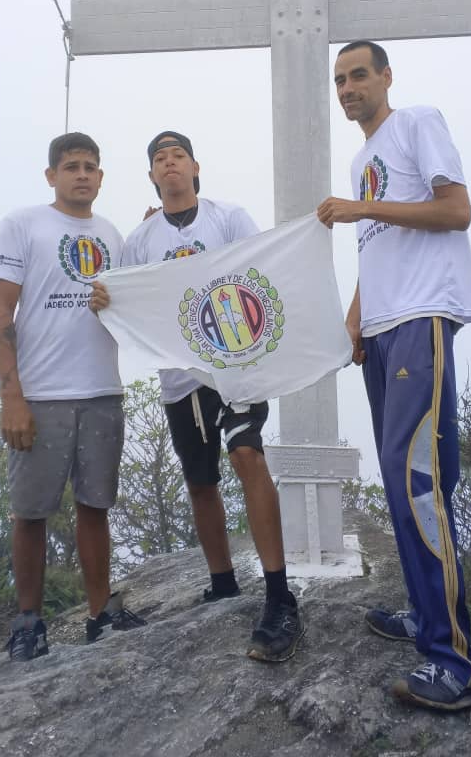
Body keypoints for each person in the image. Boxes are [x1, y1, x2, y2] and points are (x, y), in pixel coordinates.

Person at [90, 130, 304, 662]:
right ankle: (224, 581)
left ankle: (279, 596)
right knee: (200, 479)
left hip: (234, 366)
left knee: (246, 453)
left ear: (195, 166)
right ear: (151, 176)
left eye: (178, 155)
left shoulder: (227, 218)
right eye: (159, 159)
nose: (170, 164)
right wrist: (103, 297)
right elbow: (121, 292)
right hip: (180, 380)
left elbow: (264, 266)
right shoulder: (141, 238)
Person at [317, 42, 471, 712]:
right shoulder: (363, 160)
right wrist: (356, 320)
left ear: (385, 77)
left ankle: (454, 662)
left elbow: (456, 210)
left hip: (421, 320)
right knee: (413, 477)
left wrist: (363, 210)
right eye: (340, 79)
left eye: (360, 74)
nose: (349, 86)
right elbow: (377, 252)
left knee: (415, 479)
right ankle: (425, 613)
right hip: (384, 331)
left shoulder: (417, 123)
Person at [0, 132, 145, 662]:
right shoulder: (22, 224)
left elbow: (127, 303)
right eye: (71, 166)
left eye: (91, 166)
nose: (82, 174)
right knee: (30, 512)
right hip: (42, 394)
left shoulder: (112, 235)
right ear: (51, 175)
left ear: (101, 177)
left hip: (102, 389)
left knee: (95, 506)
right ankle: (28, 622)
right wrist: (13, 397)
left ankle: (101, 614)